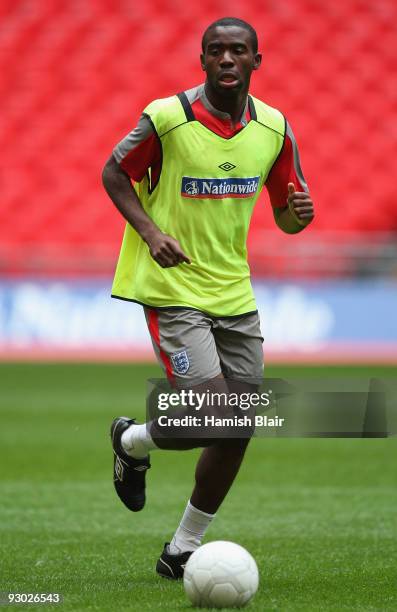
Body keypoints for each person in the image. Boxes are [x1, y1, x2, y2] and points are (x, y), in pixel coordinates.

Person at [102, 16, 314, 579]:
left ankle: (181, 549)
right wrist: (151, 233)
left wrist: (297, 218)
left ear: (255, 62)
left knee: (238, 425)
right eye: (216, 51)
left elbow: (285, 216)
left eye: (237, 51)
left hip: (234, 293)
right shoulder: (167, 118)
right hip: (173, 288)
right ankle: (134, 439)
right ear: (202, 61)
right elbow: (114, 173)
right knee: (215, 414)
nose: (226, 59)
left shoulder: (274, 128)